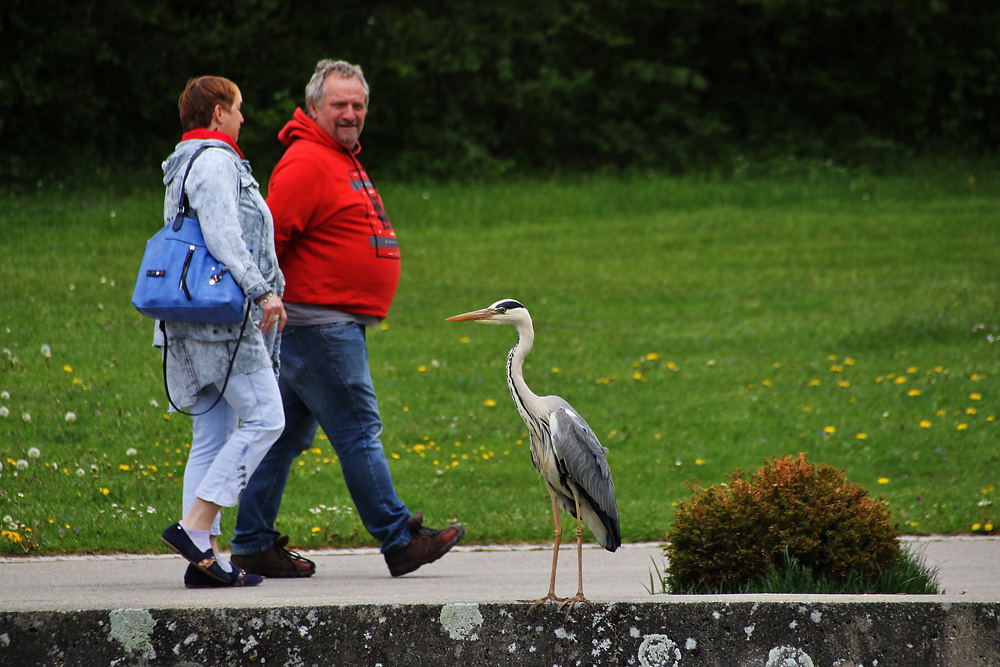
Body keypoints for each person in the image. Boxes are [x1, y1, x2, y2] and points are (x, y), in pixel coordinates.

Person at [230, 60, 464, 578]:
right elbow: (266, 244)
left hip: (323, 325)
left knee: (283, 434)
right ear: (315, 107)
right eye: (340, 104)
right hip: (318, 326)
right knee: (359, 430)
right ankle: (399, 538)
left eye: (358, 105)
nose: (351, 114)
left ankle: (252, 544)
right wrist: (265, 302)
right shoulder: (307, 162)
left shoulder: (339, 157)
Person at [156, 76, 287, 588]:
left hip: (194, 321)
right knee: (267, 419)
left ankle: (205, 563)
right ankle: (195, 527)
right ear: (216, 114)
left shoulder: (185, 162)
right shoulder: (213, 161)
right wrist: (262, 290)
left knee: (210, 438)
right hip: (221, 323)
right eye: (237, 109)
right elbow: (223, 234)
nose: (241, 119)